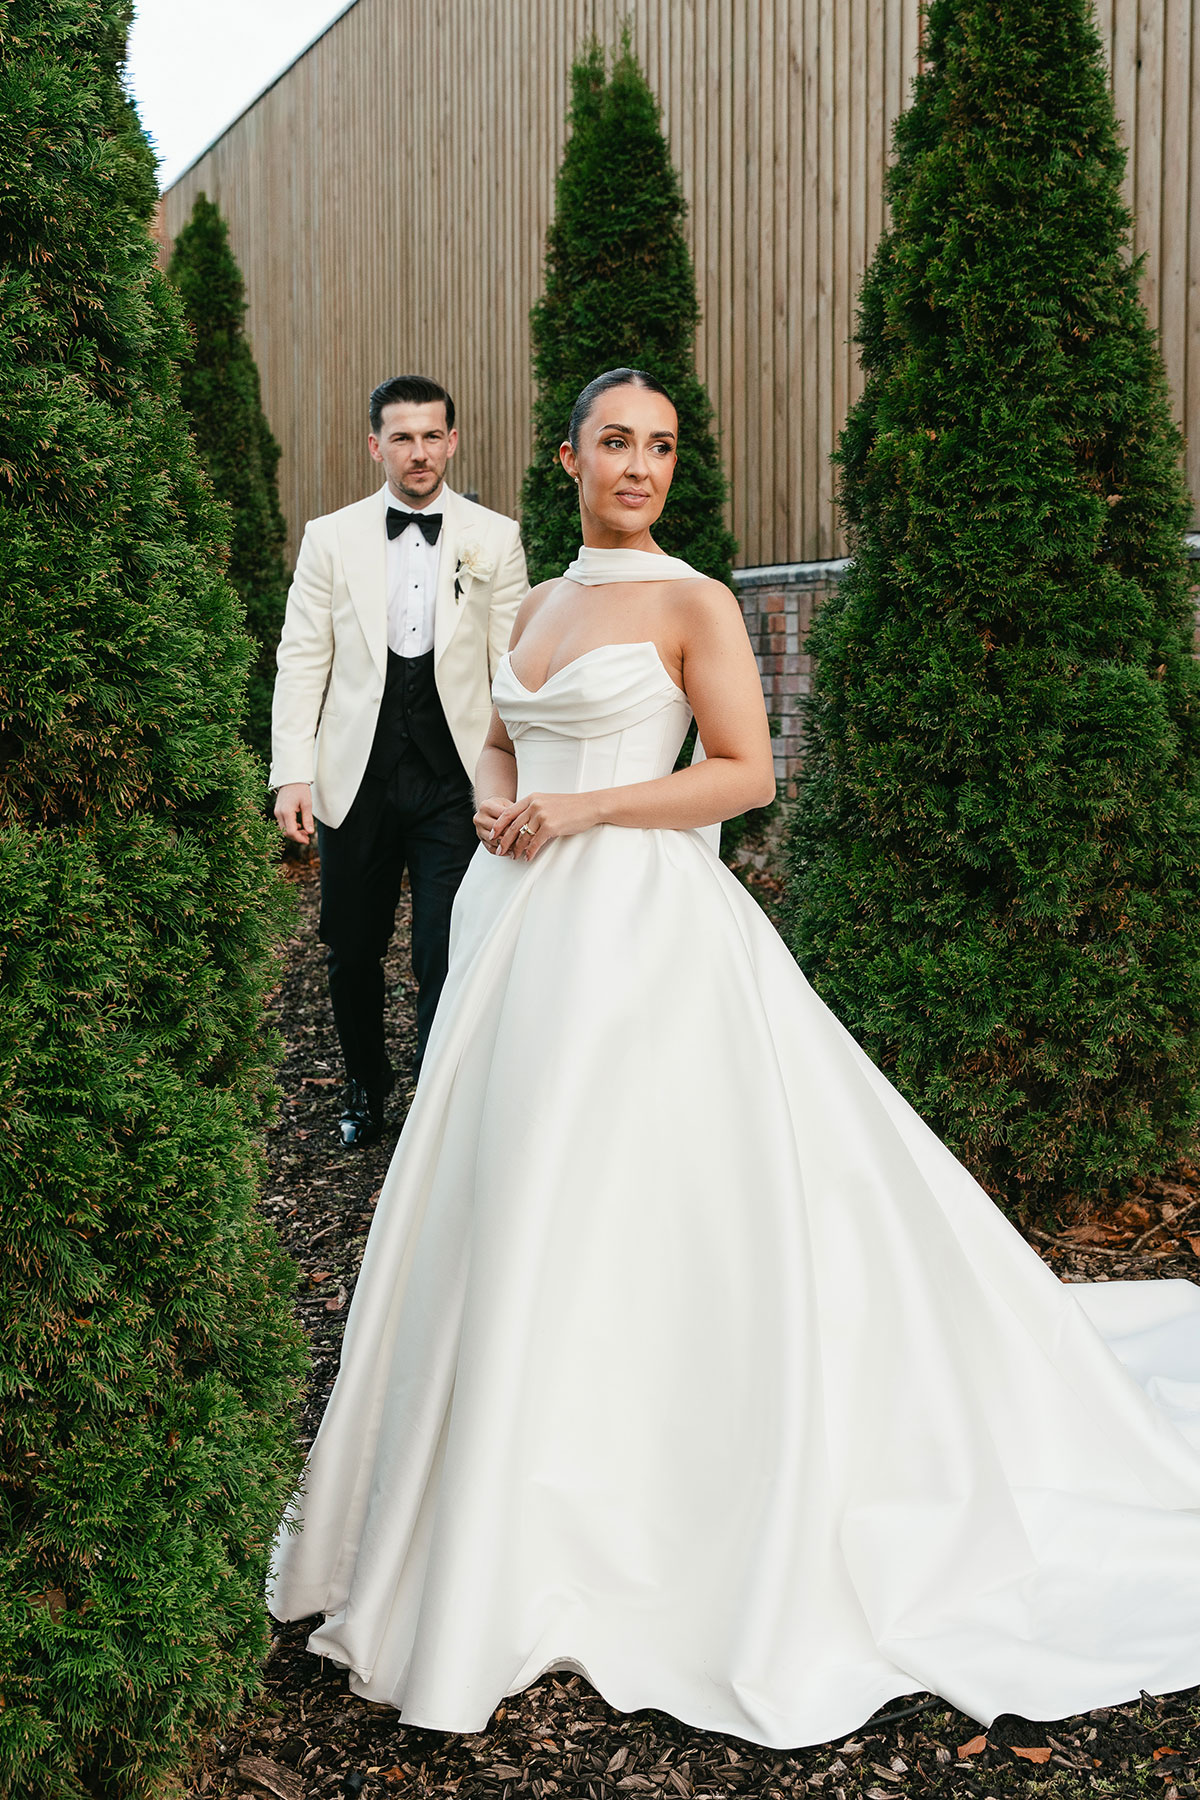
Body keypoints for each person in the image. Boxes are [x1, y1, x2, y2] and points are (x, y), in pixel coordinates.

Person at [269, 368, 1200, 1747]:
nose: (639, 466)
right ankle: (493, 1480)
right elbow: (496, 748)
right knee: (512, 1196)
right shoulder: (527, 606)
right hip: (519, 930)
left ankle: (643, 1490)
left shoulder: (693, 601)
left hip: (642, 935)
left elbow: (745, 771)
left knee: (645, 1192)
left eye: (660, 448)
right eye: (616, 444)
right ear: (567, 456)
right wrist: (506, 805)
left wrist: (582, 813)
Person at [271, 374, 527, 1145]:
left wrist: (522, 775)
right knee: (351, 949)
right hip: (358, 776)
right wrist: (292, 771)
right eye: (402, 437)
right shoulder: (329, 536)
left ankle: (437, 1102)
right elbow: (302, 657)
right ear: (375, 444)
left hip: (457, 778)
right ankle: (364, 1090)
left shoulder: (496, 537)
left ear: (452, 440)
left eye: (433, 436)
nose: (419, 452)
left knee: (445, 946)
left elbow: (509, 667)